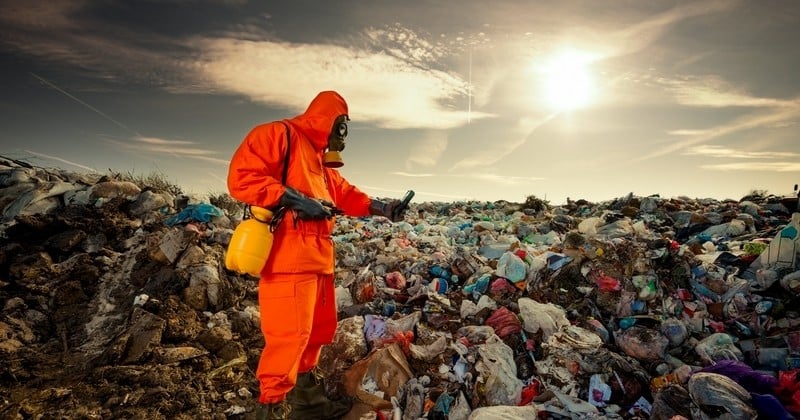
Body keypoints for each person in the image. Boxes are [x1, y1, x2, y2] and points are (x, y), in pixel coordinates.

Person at [227, 90, 408, 419]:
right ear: (330, 120)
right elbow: (242, 178)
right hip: (287, 259)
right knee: (288, 338)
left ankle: (308, 405)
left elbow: (346, 194)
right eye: (342, 126)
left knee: (318, 332)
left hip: (319, 259)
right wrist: (295, 199)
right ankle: (269, 409)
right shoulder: (278, 135)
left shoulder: (320, 163)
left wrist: (384, 207)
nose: (344, 136)